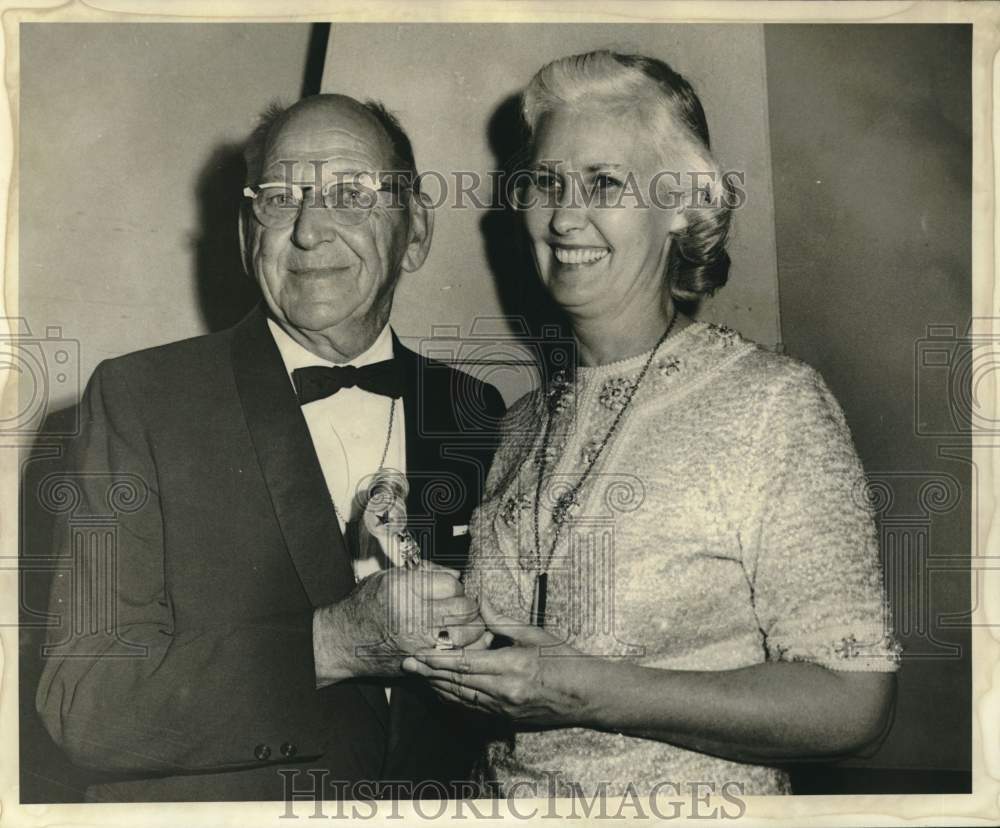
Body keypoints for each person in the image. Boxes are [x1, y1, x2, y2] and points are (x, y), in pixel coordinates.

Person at [402, 51, 899, 797]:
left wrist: (594, 691)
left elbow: (855, 704)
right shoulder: (517, 427)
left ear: (681, 205)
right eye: (546, 183)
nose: (565, 216)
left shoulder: (771, 405)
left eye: (604, 183)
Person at [35, 94, 504, 802]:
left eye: (350, 194)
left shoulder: (477, 411)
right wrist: (335, 643)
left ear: (415, 232)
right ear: (245, 231)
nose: (310, 231)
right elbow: (85, 702)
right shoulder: (140, 399)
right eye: (280, 198)